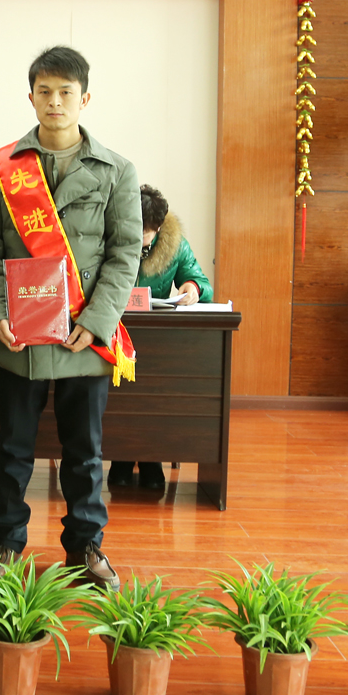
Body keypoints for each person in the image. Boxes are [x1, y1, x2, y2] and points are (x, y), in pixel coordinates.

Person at [0, 46, 140, 589]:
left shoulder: (116, 170)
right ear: (31, 97)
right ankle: (5, 541)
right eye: (44, 91)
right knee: (11, 448)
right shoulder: (3, 167)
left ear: (84, 99)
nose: (55, 101)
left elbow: (125, 253)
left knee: (84, 451)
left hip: (83, 333)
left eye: (66, 92)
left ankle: (86, 545)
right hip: (19, 335)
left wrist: (98, 319)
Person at [110, 184, 213, 490]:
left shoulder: (174, 244)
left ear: (157, 228)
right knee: (119, 395)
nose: (140, 238)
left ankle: (151, 458)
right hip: (114, 331)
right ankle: (120, 457)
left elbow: (201, 282)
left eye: (146, 233)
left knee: (154, 390)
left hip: (154, 337)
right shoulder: (111, 235)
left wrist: (193, 288)